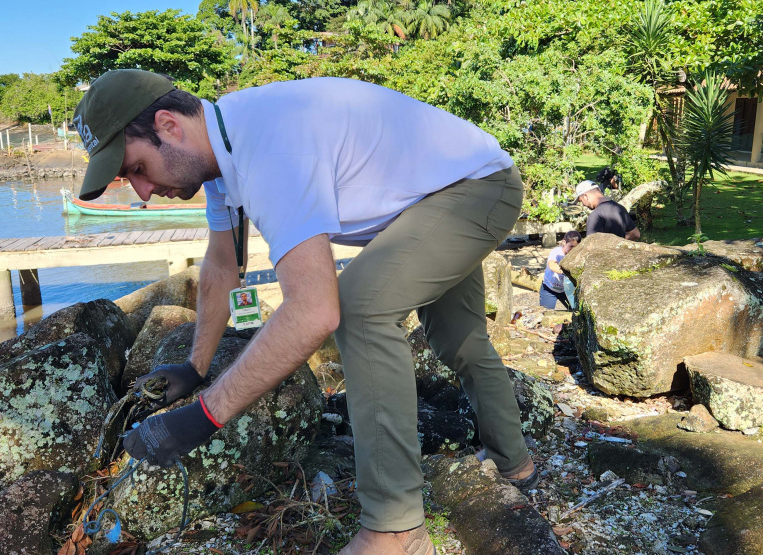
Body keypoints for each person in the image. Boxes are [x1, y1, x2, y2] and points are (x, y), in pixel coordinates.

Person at [72, 69, 538, 555]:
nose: (143, 193)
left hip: (476, 188)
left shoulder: (268, 150)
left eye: (138, 169)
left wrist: (203, 417)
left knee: (361, 311)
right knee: (456, 337)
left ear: (169, 126)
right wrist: (196, 368)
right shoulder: (222, 154)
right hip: (429, 200)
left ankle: (396, 531)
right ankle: (516, 465)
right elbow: (221, 265)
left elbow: (315, 312)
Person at [574, 180, 640, 240]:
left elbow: (591, 246)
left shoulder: (595, 216)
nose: (583, 204)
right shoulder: (620, 208)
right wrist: (618, 244)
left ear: (585, 196)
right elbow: (635, 234)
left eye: (581, 201)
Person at [540, 231, 581, 310]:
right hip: (549, 289)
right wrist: (565, 271)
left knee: (576, 310)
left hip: (566, 291)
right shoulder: (556, 252)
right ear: (564, 242)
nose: (573, 250)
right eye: (571, 246)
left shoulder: (577, 256)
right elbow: (552, 264)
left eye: (576, 248)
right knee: (546, 314)